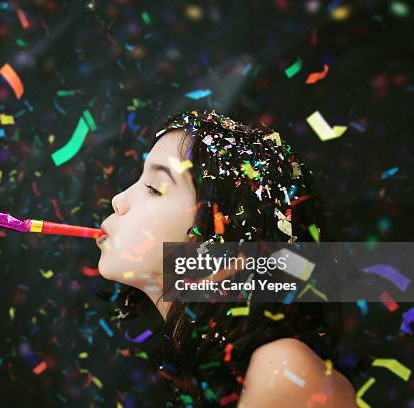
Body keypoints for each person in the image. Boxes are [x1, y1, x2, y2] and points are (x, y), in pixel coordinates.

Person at [96, 109, 356, 407]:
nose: (119, 200)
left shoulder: (283, 372)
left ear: (222, 233)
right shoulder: (195, 363)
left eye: (154, 188)